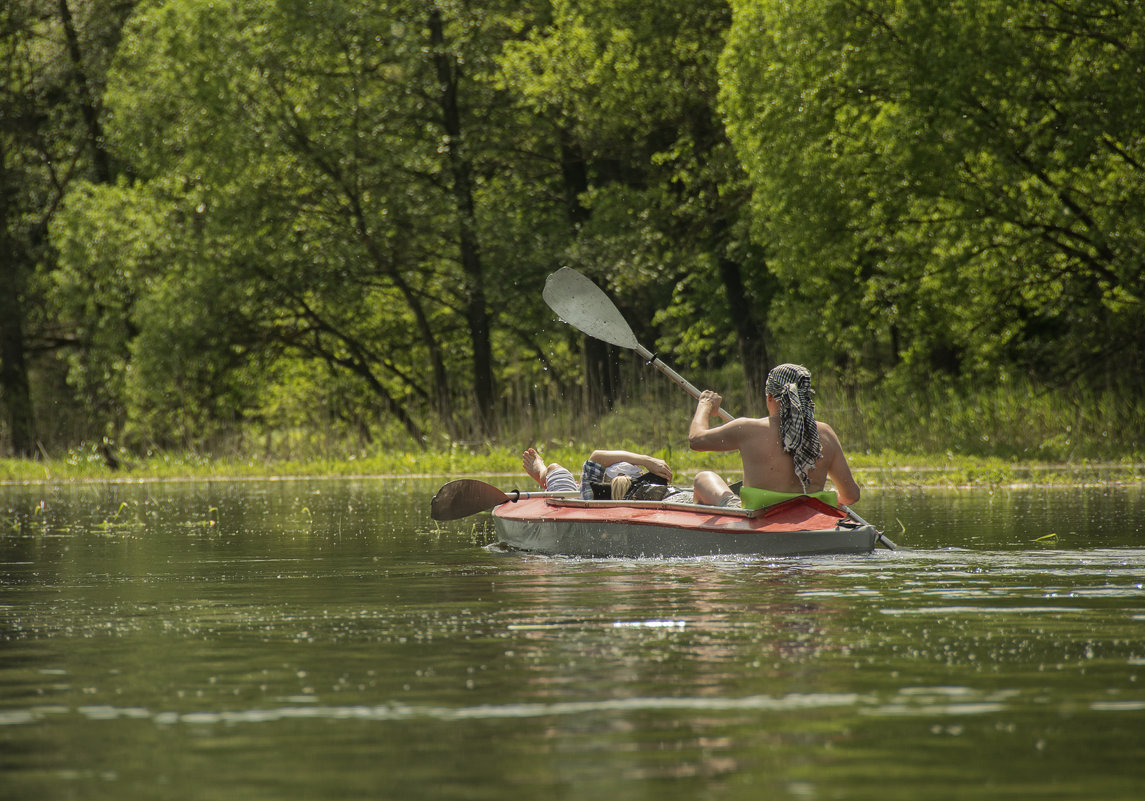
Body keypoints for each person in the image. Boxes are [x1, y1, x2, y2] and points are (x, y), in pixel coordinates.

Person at [687, 363, 861, 509]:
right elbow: (851, 495)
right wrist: (820, 502)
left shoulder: (746, 428)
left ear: (770, 396)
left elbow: (696, 440)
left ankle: (727, 510)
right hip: (810, 515)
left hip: (757, 516)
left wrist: (705, 404)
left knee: (703, 477)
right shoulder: (825, 433)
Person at [521, 447, 739, 506]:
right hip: (579, 495)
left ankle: (542, 473)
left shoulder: (590, 496)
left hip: (574, 497)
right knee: (703, 478)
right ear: (643, 478)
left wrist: (645, 459)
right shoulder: (658, 492)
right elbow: (597, 457)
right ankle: (543, 474)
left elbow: (597, 456)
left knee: (554, 468)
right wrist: (647, 463)